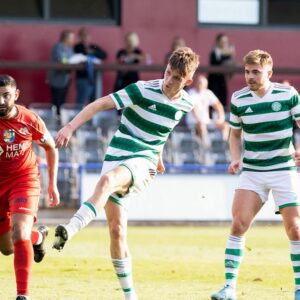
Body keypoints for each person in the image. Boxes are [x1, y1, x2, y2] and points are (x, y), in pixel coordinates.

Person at [53, 47, 200, 300]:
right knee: (117, 230)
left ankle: (69, 229)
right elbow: (100, 104)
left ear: (188, 81)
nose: (168, 80)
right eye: (167, 73)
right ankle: (131, 296)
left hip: (143, 162)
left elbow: (162, 132)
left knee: (108, 181)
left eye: (176, 77)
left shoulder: (187, 103)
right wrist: (69, 127)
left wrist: (158, 156)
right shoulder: (142, 89)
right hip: (116, 154)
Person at [211, 50, 300, 300]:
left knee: (295, 229)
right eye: (247, 71)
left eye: (256, 72)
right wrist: (235, 157)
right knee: (238, 224)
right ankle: (229, 288)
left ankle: (299, 288)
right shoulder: (239, 99)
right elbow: (235, 134)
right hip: (253, 171)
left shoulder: (287, 95)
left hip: (283, 169)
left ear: (269, 73)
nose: (250, 76)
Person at [0, 75, 60, 300]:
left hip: (23, 180)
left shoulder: (30, 119)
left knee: (19, 232)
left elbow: (51, 147)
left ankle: (22, 295)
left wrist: (52, 185)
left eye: (6, 95)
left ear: (15, 95)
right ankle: (37, 238)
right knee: (7, 248)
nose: (1, 100)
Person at [186, 73, 228, 145]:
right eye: (199, 83)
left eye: (202, 84)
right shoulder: (191, 93)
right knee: (201, 125)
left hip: (207, 122)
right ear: (196, 83)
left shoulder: (208, 93)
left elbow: (218, 106)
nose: (201, 85)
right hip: (193, 122)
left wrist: (221, 118)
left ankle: (224, 144)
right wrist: (200, 120)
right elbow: (194, 109)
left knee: (225, 125)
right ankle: (206, 147)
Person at [74, 27, 107, 106]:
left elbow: (104, 55)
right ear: (80, 36)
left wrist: (92, 52)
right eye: (83, 35)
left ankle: (93, 118)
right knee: (81, 101)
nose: (85, 37)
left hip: (94, 78)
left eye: (87, 35)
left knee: (95, 101)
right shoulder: (77, 47)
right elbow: (82, 53)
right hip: (83, 78)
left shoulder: (93, 46)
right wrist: (89, 52)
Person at [48, 30, 75, 114]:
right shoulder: (58, 46)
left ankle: (61, 117)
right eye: (71, 38)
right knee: (57, 100)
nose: (73, 40)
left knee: (63, 100)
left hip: (66, 78)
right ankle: (56, 118)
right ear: (65, 38)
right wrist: (70, 61)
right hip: (57, 78)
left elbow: (73, 58)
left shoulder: (70, 48)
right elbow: (61, 59)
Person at [208, 33, 236, 109]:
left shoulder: (228, 53)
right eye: (222, 41)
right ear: (218, 42)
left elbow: (232, 65)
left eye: (226, 41)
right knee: (213, 101)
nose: (224, 43)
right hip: (214, 81)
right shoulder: (215, 52)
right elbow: (216, 63)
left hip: (222, 81)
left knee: (223, 101)